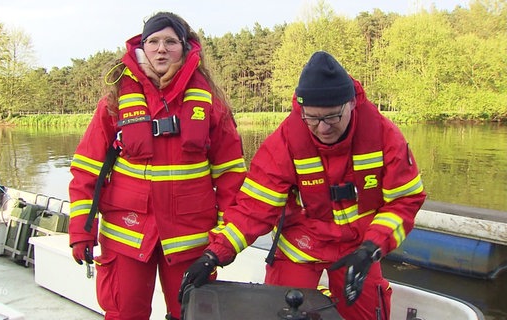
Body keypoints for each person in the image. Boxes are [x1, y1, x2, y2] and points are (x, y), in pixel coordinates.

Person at [180, 51, 426, 320]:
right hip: (301, 246)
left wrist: (371, 248)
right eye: (312, 118)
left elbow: (404, 201)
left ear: (351, 104)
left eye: (332, 117)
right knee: (276, 312)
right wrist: (214, 254)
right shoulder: (285, 141)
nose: (322, 128)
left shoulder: (384, 135)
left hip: (359, 248)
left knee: (367, 313)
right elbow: (254, 209)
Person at [68, 11, 247, 320]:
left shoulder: (211, 103)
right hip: (126, 234)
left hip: (190, 238)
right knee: (124, 313)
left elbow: (232, 178)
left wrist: (223, 241)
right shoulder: (115, 99)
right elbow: (87, 169)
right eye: (153, 41)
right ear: (142, 48)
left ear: (186, 47)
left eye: (170, 41)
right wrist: (82, 231)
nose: (161, 49)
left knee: (190, 315)